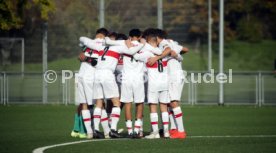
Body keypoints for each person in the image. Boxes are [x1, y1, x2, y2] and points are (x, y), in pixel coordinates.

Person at [80, 33, 145, 138]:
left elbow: (82, 38)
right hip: (107, 74)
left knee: (99, 102)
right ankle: (113, 129)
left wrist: (97, 40)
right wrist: (141, 44)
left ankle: (95, 129)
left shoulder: (100, 46)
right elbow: (133, 51)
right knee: (117, 103)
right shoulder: (118, 47)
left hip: (97, 74)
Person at [132, 29, 170, 139]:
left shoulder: (147, 53)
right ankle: (166, 132)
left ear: (148, 41)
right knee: (164, 107)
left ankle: (155, 132)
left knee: (153, 107)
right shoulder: (162, 52)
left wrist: (140, 46)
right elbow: (168, 50)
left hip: (153, 83)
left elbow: (135, 56)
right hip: (164, 83)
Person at [72, 28, 109, 139]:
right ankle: (106, 132)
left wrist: (84, 57)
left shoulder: (89, 44)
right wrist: (87, 58)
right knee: (100, 103)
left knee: (84, 104)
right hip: (91, 77)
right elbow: (95, 62)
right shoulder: (103, 46)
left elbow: (80, 56)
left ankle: (89, 132)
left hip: (81, 76)